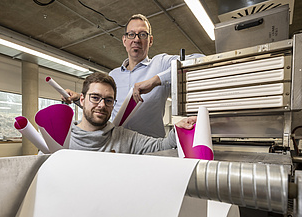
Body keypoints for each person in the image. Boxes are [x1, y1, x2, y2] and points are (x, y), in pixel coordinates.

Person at [64, 14, 203, 138]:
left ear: (150, 40)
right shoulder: (113, 75)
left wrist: (155, 80)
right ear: (124, 40)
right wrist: (79, 100)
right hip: (118, 146)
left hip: (151, 150)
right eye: (131, 34)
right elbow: (104, 108)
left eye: (142, 34)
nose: (136, 39)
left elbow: (199, 59)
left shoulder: (160, 63)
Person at [69, 72, 197, 154]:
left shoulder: (124, 138)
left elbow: (161, 145)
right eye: (95, 98)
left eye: (108, 100)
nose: (102, 105)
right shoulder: (62, 137)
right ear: (82, 99)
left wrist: (178, 130)